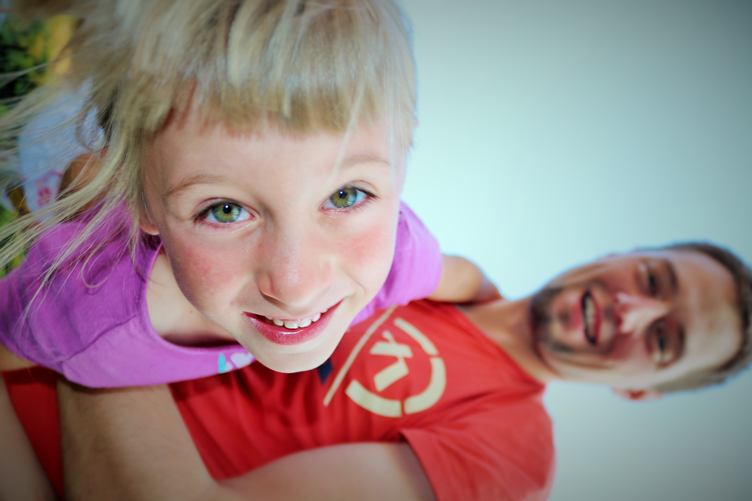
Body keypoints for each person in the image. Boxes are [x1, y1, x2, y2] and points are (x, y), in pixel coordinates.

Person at [6, 240, 751, 500]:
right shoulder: (433, 272)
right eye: (652, 279)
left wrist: (94, 318)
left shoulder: (513, 454)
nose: (631, 310)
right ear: (625, 254)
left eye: (664, 339)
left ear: (639, 387)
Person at [0, 0, 497, 388]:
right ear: (142, 202)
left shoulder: (401, 256)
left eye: (345, 196)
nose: (296, 288)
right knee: (72, 172)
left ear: (404, 156)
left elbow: (464, 278)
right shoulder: (71, 314)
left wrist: (496, 305)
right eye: (225, 210)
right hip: (52, 153)